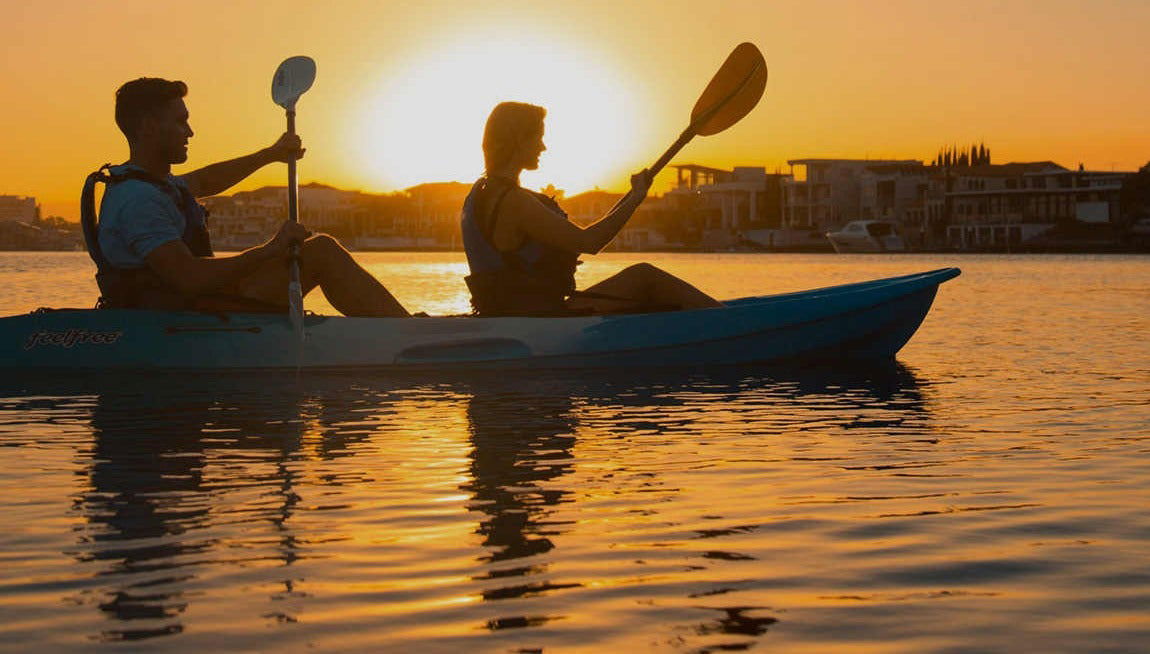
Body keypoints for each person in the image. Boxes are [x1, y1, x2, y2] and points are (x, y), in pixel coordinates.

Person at [85, 77, 408, 316]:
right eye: (180, 121)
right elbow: (189, 278)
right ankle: (405, 333)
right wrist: (272, 250)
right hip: (190, 306)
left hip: (203, 297)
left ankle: (398, 327)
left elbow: (206, 179)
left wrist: (271, 154)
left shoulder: (157, 184)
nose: (190, 132)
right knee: (321, 251)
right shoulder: (139, 200)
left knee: (320, 248)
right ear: (147, 128)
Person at [461, 102, 722, 317]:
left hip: (507, 314)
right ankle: (727, 323)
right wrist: (636, 198)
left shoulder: (480, 193)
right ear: (518, 141)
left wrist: (631, 196)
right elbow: (590, 241)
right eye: (538, 138)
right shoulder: (515, 202)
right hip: (537, 319)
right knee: (644, 277)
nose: (543, 147)